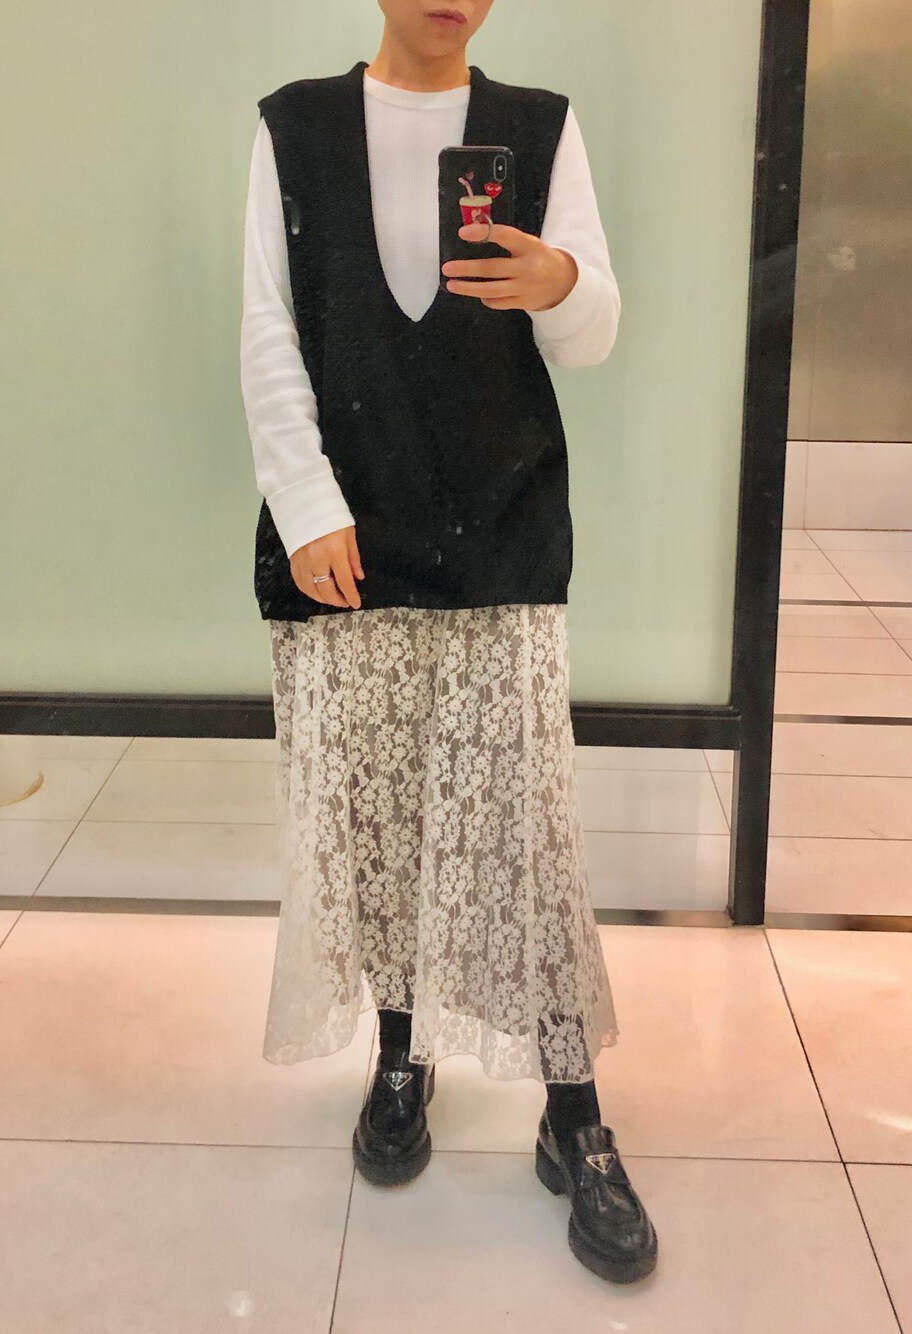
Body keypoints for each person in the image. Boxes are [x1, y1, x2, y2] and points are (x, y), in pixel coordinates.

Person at [240, 0, 657, 1284]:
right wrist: (305, 504)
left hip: (502, 518)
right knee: (381, 818)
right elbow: (268, 328)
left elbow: (590, 335)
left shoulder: (536, 129)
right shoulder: (297, 128)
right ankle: (400, 1049)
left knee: (528, 830)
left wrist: (563, 285)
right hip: (351, 533)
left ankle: (573, 1109)